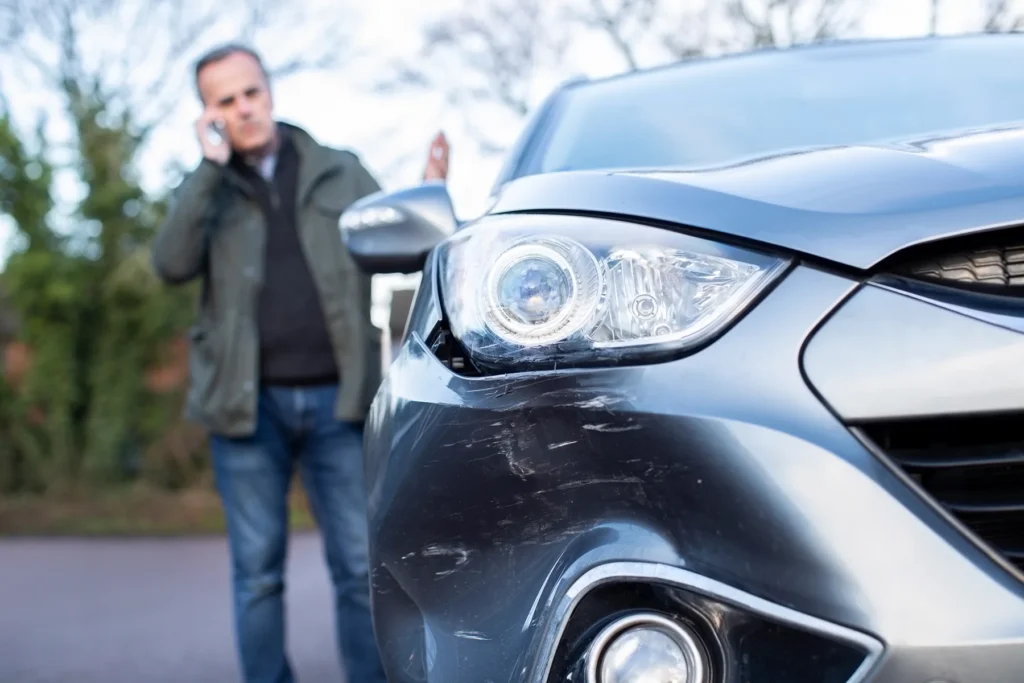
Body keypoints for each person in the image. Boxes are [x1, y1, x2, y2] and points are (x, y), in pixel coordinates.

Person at [151, 43, 448, 683]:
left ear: (269, 91)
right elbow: (170, 264)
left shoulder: (338, 170)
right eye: (224, 101)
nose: (243, 108)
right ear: (208, 115)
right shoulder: (202, 190)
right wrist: (208, 171)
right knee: (257, 574)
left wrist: (428, 202)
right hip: (245, 408)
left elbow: (394, 244)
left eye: (250, 92)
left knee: (356, 567)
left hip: (339, 400)